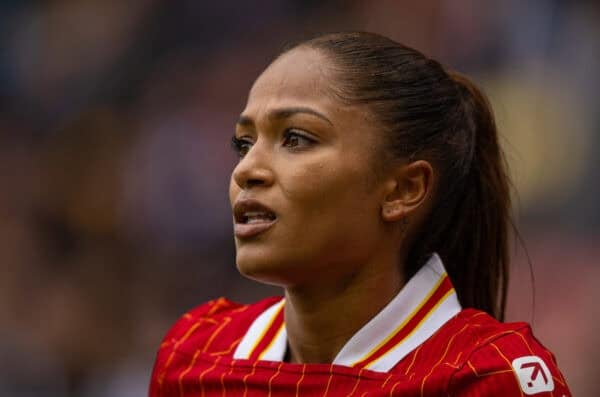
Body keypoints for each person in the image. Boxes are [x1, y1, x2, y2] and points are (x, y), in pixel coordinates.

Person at [149, 32, 571, 396]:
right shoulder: (194, 352)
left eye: (296, 138)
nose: (246, 170)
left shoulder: (488, 377)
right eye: (243, 144)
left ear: (404, 190)